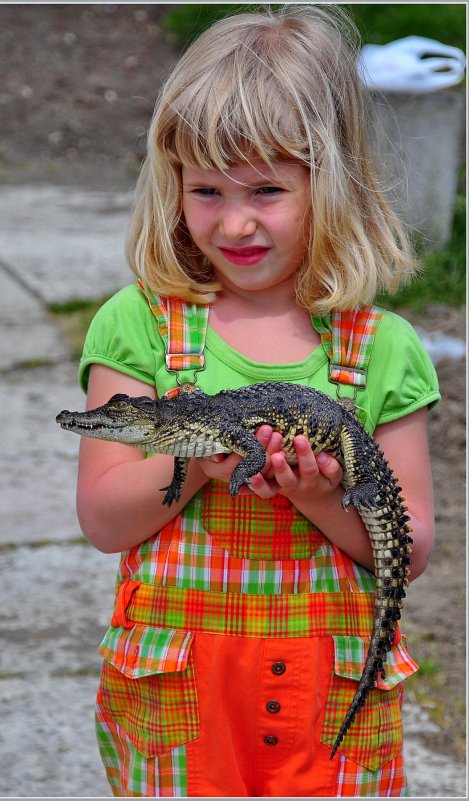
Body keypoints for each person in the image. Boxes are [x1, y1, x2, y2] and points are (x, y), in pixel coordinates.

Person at [75, 5, 439, 797]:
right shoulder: (137, 325)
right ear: (170, 184)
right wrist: (197, 467)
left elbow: (403, 549)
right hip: (180, 705)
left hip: (328, 704)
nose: (233, 221)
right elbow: (104, 518)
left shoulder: (382, 348)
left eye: (267, 189)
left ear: (332, 182)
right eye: (205, 189)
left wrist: (317, 498)